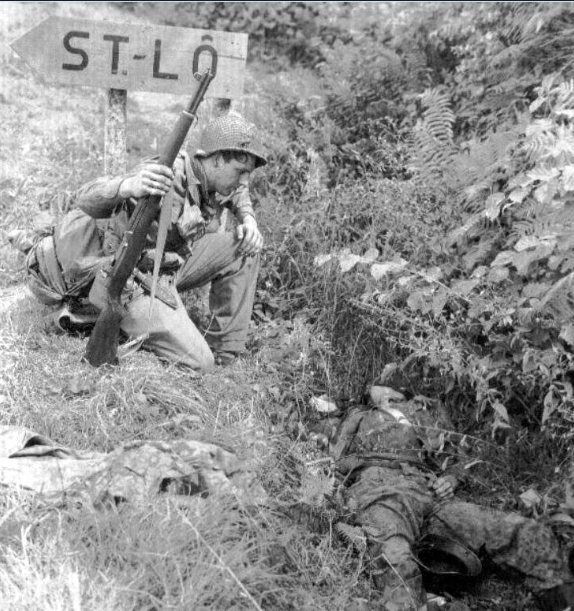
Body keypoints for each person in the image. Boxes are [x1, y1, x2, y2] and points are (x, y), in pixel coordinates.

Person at [9, 112, 268, 373]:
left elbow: (239, 193)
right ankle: (102, 319)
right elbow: (85, 198)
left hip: (165, 266)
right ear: (217, 159)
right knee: (200, 363)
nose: (244, 181)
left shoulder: (210, 180)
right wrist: (128, 185)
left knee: (246, 247)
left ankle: (226, 356)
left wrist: (249, 219)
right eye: (241, 172)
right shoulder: (165, 174)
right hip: (130, 281)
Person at [326, 386, 574, 611]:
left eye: (391, 390)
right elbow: (331, 461)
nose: (386, 394)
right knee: (394, 557)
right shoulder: (358, 416)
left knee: (520, 531)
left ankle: (563, 598)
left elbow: (457, 455)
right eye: (379, 391)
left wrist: (452, 479)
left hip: (430, 494)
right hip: (380, 490)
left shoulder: (422, 411)